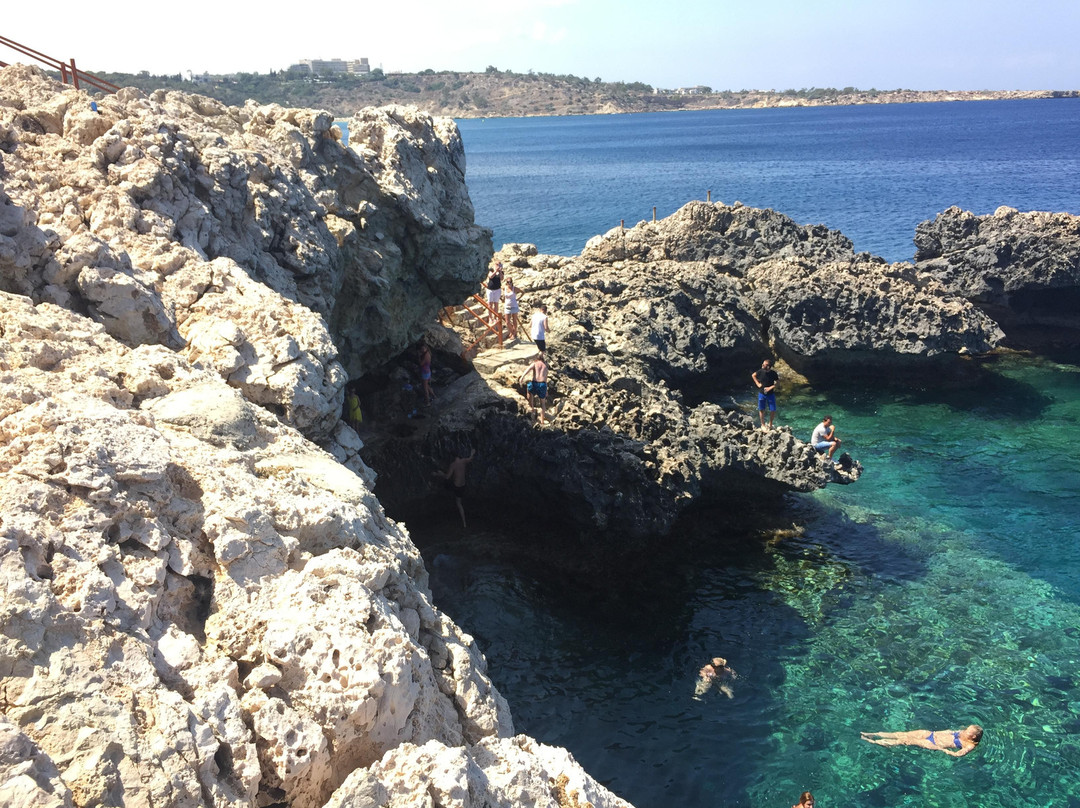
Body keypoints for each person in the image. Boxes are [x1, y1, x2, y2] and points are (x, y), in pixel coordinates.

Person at [860, 724, 983, 757]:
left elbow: (957, 755)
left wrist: (943, 750)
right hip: (930, 734)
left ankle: (873, 741)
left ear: (973, 737)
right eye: (967, 729)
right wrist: (940, 732)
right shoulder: (963, 733)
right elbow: (950, 731)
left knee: (903, 740)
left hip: (934, 744)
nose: (965, 731)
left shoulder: (969, 745)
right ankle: (873, 734)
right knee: (901, 734)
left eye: (968, 731)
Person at [433, 448, 476, 528]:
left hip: (456, 487)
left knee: (458, 502)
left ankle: (463, 522)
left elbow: (447, 477)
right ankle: (464, 523)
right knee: (459, 501)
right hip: (463, 485)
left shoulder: (453, 465)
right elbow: (470, 459)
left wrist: (439, 474)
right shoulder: (463, 461)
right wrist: (472, 453)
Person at [518, 352, 550, 425]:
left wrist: (522, 377)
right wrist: (546, 389)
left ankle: (532, 409)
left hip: (535, 383)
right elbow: (545, 378)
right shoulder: (545, 366)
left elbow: (527, 370)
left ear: (536, 358)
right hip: (543, 384)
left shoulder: (535, 364)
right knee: (543, 403)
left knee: (529, 391)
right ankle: (542, 421)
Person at [752, 358, 779, 430]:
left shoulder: (773, 373)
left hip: (771, 394)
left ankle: (770, 424)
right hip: (762, 393)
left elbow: (777, 383)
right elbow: (753, 375)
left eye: (764, 364)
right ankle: (762, 424)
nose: (762, 365)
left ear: (768, 366)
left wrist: (770, 387)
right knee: (761, 409)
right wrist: (758, 383)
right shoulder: (760, 371)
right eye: (762, 364)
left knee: (773, 410)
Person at [484, 262, 504, 328]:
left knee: (496, 304)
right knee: (490, 304)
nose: (498, 266)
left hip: (497, 290)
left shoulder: (501, 272)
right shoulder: (491, 270)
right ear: (495, 265)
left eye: (499, 265)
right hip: (490, 289)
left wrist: (500, 271)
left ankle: (495, 317)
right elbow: (490, 276)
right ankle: (490, 318)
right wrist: (495, 271)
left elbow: (501, 278)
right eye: (497, 265)